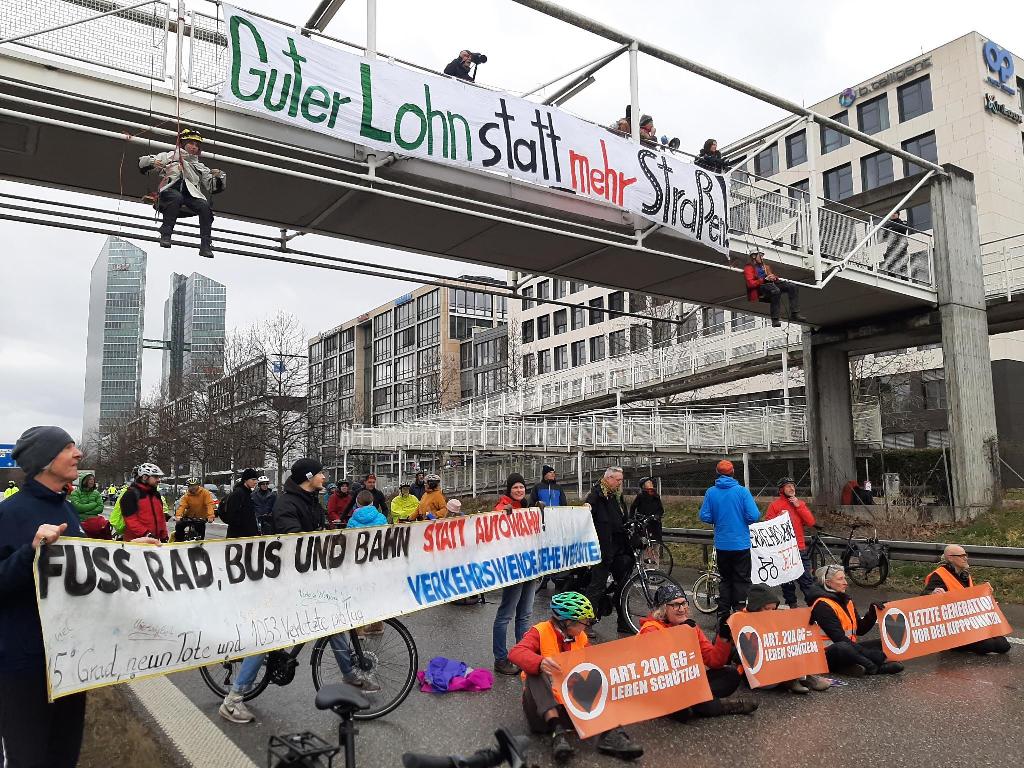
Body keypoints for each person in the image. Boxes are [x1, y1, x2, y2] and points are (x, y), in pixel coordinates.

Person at [0, 427, 159, 766]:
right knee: (29, 759)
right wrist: (31, 552)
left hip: (72, 661)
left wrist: (125, 553)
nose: (78, 454)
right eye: (68, 447)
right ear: (44, 460)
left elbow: (84, 566)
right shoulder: (10, 514)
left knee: (64, 756)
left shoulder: (67, 509)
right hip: (25, 667)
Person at [221, 458, 378, 723]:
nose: (324, 477)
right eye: (320, 473)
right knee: (270, 636)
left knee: (334, 621)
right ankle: (233, 699)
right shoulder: (286, 503)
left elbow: (316, 533)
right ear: (308, 476)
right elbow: (296, 542)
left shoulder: (310, 499)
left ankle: (350, 674)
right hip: (285, 581)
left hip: (308, 577)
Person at [508, 592, 643, 763]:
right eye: (584, 621)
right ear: (567, 621)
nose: (587, 625)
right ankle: (557, 734)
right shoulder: (540, 631)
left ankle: (611, 734)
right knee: (536, 671)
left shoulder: (581, 637)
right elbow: (515, 652)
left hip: (572, 707)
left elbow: (594, 664)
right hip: (541, 712)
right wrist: (540, 662)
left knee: (596, 673)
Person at [639, 584, 758, 717]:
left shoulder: (689, 625)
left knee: (731, 675)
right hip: (664, 688)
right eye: (675, 605)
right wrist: (680, 635)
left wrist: (723, 639)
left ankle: (692, 704)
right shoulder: (650, 629)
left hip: (688, 683)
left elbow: (713, 661)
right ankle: (726, 705)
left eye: (684, 603)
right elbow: (662, 669)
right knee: (682, 701)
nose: (682, 609)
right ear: (663, 609)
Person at [138, 128, 226, 258]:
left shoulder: (200, 167)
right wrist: (150, 162)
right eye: (191, 143)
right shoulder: (169, 156)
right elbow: (143, 163)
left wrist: (219, 177)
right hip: (170, 190)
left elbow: (212, 187)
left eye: (197, 145)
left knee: (205, 206)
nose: (194, 147)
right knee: (176, 197)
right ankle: (166, 234)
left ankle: (206, 245)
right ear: (183, 143)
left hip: (191, 195)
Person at [809, 565, 903, 676]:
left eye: (845, 578)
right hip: (827, 654)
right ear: (828, 583)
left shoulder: (846, 601)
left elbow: (860, 630)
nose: (845, 582)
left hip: (851, 649)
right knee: (842, 647)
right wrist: (868, 654)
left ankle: (852, 666)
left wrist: (872, 613)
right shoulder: (822, 605)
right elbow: (838, 638)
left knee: (883, 643)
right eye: (840, 579)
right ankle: (873, 668)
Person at [740, 584, 830, 693]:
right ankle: (793, 680)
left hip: (775, 668)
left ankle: (802, 677)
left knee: (794, 643)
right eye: (767, 609)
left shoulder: (772, 620)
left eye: (773, 609)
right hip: (757, 675)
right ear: (755, 607)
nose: (771, 612)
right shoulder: (740, 622)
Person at [699, 460, 760, 622]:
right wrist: (742, 519)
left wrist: (717, 518)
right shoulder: (742, 492)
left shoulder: (711, 492)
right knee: (741, 579)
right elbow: (754, 516)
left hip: (722, 545)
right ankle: (740, 612)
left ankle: (723, 614)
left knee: (726, 580)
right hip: (741, 544)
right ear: (733, 473)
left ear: (717, 473)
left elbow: (704, 515)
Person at [923, 545, 1011, 654]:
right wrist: (933, 593)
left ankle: (966, 643)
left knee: (1003, 644)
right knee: (994, 645)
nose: (965, 558)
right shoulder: (939, 576)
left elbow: (969, 599)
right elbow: (924, 598)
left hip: (967, 625)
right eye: (962, 556)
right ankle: (957, 645)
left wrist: (985, 597)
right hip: (951, 630)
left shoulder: (964, 575)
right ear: (950, 558)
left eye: (966, 555)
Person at [492, 473, 540, 675]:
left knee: (525, 615)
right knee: (505, 615)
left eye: (522, 487)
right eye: (515, 488)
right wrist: (504, 512)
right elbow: (494, 516)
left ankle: (523, 655)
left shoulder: (527, 507)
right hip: (513, 569)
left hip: (529, 567)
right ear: (509, 490)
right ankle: (501, 659)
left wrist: (541, 511)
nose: (519, 491)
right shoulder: (503, 504)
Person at [583, 466, 634, 635]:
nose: (620, 483)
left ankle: (623, 621)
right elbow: (588, 508)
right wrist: (587, 506)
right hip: (603, 548)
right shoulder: (597, 494)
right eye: (618, 480)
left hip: (619, 547)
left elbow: (622, 518)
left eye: (621, 480)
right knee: (596, 586)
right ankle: (586, 623)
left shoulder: (617, 497)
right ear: (609, 479)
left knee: (623, 585)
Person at [764, 476, 815, 608]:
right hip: (783, 550)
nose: (792, 488)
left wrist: (799, 507)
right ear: (781, 489)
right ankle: (792, 606)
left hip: (799, 548)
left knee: (806, 580)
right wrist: (778, 519)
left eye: (793, 486)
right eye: (788, 486)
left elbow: (810, 522)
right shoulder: (774, 506)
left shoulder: (800, 504)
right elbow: (768, 526)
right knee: (787, 582)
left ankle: (813, 606)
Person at [743, 251, 806, 327]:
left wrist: (774, 278)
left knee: (792, 287)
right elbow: (750, 284)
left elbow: (771, 277)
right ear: (753, 256)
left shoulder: (766, 267)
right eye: (760, 256)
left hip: (770, 284)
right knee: (776, 291)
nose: (762, 258)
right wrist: (764, 280)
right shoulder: (749, 268)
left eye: (763, 256)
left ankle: (795, 313)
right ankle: (775, 319)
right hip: (761, 288)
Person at [120, 463, 169, 542]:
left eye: (159, 477)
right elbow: (130, 520)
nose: (159, 480)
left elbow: (161, 517)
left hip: (154, 542)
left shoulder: (156, 494)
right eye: (156, 477)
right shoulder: (130, 494)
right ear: (145, 477)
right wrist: (146, 534)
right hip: (136, 543)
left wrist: (164, 535)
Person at [629, 476, 665, 565]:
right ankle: (646, 571)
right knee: (645, 549)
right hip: (644, 525)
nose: (651, 484)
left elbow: (661, 509)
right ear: (644, 486)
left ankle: (655, 571)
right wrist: (633, 519)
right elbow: (633, 508)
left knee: (656, 548)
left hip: (655, 525)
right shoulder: (640, 496)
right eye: (649, 483)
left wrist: (656, 516)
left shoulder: (656, 496)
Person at [217, 469, 261, 538]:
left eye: (256, 479)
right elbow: (232, 515)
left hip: (247, 535)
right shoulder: (238, 494)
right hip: (239, 536)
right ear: (245, 480)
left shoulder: (248, 493)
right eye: (253, 479)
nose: (255, 482)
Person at [69, 473, 108, 537]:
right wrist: (94, 504)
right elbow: (77, 508)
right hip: (80, 523)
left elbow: (100, 508)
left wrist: (85, 512)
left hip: (94, 524)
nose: (92, 481)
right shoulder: (75, 493)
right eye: (90, 479)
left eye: (93, 479)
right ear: (84, 481)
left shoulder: (97, 493)